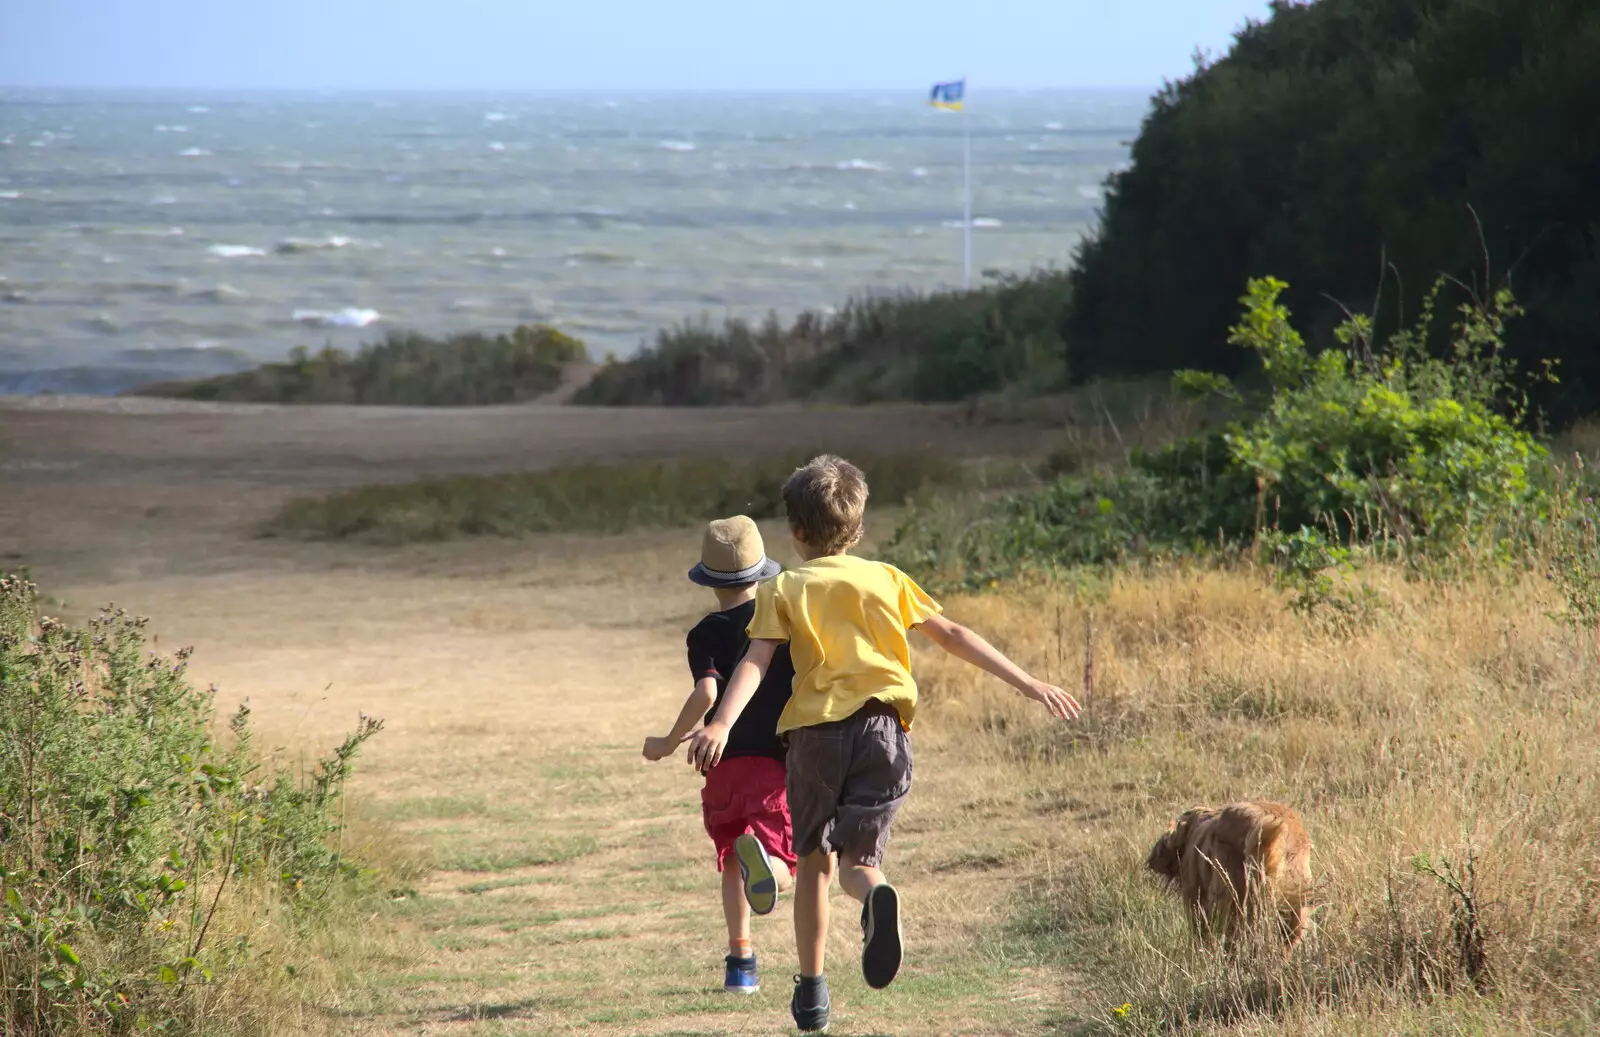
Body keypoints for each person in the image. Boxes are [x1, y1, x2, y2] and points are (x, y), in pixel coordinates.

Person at [686, 455, 1081, 1033]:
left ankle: (813, 991)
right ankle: (875, 897)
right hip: (885, 734)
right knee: (860, 863)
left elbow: (755, 661)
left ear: (795, 533)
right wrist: (1029, 682)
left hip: (817, 737)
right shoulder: (888, 577)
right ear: (859, 528)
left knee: (814, 864)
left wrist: (721, 723)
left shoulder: (785, 587)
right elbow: (954, 634)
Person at [642, 515, 799, 994]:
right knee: (784, 863)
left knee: (732, 860)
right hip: (773, 764)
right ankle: (770, 866)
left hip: (721, 766)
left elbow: (706, 694)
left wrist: (669, 742)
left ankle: (741, 965)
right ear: (760, 572)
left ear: (709, 580)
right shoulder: (782, 626)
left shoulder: (705, 633)